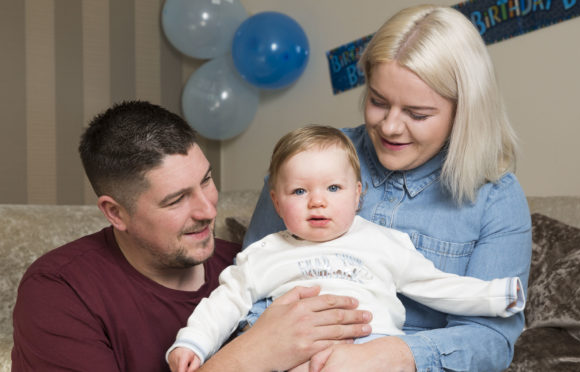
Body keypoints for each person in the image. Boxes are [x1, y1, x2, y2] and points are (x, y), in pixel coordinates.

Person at [243, 5, 532, 372]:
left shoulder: (496, 197)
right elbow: (250, 292)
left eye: (417, 114)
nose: (391, 127)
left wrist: (387, 356)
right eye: (378, 102)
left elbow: (490, 339)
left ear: (464, 112)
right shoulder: (307, 163)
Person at [11, 101, 372, 372]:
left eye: (206, 181)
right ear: (116, 212)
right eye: (176, 199)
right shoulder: (60, 290)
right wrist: (248, 355)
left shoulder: (251, 262)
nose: (208, 210)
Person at [167, 125, 525, 372]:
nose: (317, 203)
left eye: (333, 189)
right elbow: (225, 303)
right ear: (276, 203)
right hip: (295, 357)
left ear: (358, 194)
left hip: (373, 351)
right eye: (300, 192)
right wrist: (193, 343)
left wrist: (496, 296)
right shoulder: (264, 253)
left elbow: (434, 284)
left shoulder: (382, 242)